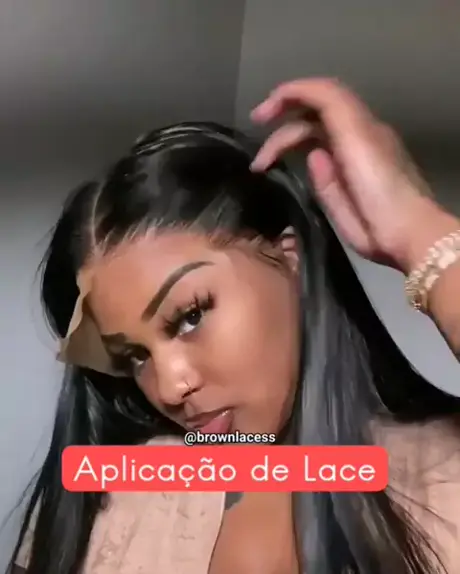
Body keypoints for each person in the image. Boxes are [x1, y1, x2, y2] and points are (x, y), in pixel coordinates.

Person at [9, 78, 460, 574]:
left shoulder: (441, 479)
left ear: (289, 259)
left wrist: (418, 230)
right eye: (135, 356)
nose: (170, 387)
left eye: (190, 315)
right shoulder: (113, 494)